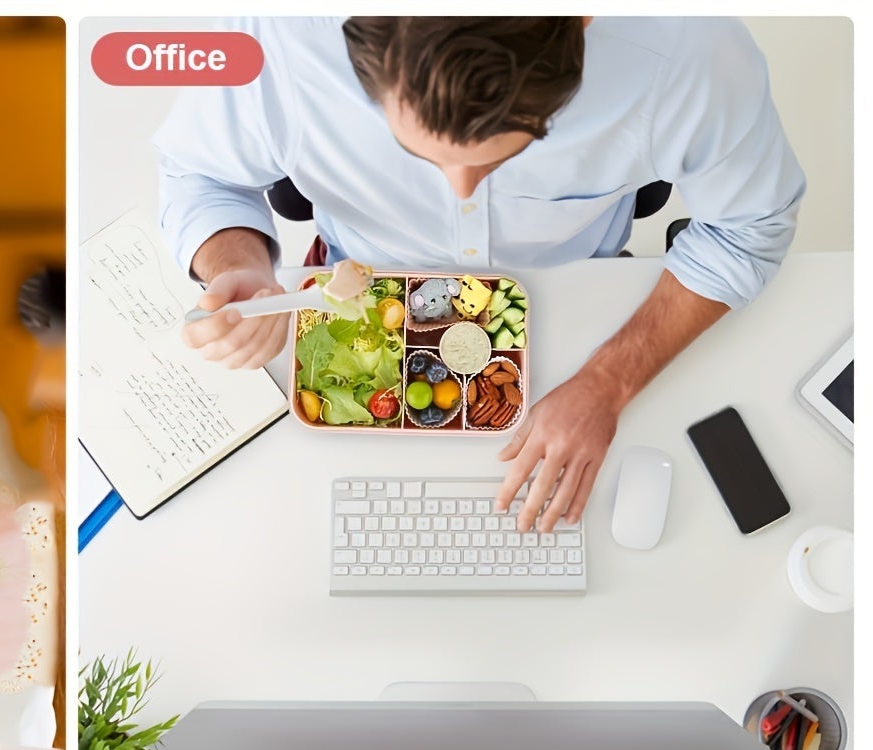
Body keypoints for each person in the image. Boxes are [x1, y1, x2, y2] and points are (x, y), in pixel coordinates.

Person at [161, 15, 805, 530]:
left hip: (585, 312)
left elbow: (750, 228)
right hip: (348, 304)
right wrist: (235, 257)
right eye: (418, 154)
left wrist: (607, 384)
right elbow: (197, 172)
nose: (459, 191)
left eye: (512, 152)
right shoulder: (270, 36)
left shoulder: (690, 49)